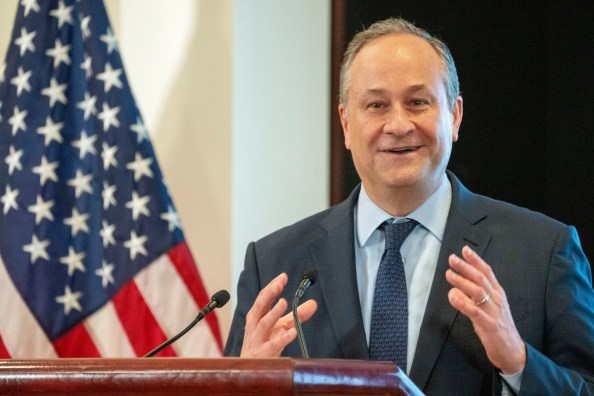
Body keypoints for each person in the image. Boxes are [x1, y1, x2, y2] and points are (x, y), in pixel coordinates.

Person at [224, 17, 594, 394]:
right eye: (376, 105)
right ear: (346, 124)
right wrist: (243, 385)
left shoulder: (544, 252)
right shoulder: (274, 263)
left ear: (454, 116)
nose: (398, 124)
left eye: (417, 102)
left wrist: (518, 362)